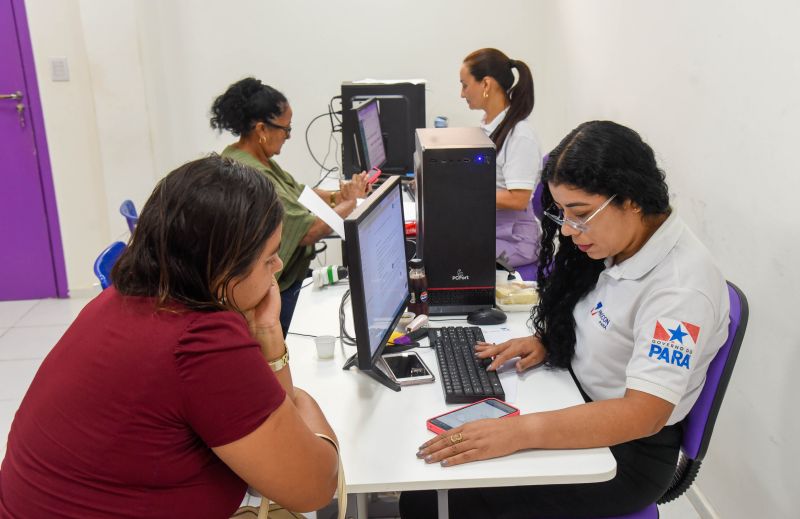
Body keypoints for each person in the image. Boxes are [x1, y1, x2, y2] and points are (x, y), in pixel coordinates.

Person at [400, 121, 731, 518]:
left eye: (581, 215)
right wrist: (546, 342)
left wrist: (520, 432)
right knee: (427, 489)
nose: (571, 232)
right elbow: (601, 319)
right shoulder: (622, 243)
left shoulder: (680, 289)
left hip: (627, 455)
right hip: (577, 399)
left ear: (632, 199)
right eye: (564, 216)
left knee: (437, 498)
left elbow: (645, 413)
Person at [0, 156, 340, 518]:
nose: (279, 267)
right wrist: (312, 418)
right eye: (269, 259)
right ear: (223, 267)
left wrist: (268, 333)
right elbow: (314, 487)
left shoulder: (123, 297)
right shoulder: (200, 342)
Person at [211, 77, 370, 334]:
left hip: (281, 282)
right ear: (262, 129)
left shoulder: (251, 156)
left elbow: (301, 194)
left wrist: (338, 196)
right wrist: (351, 202)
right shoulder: (252, 174)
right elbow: (309, 231)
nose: (288, 136)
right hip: (277, 292)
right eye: (285, 129)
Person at [460, 48, 542, 267]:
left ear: (486, 84)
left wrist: (462, 194)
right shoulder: (490, 124)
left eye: (465, 85)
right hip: (491, 226)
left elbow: (518, 199)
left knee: (451, 259)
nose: (462, 94)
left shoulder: (520, 135)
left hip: (515, 239)